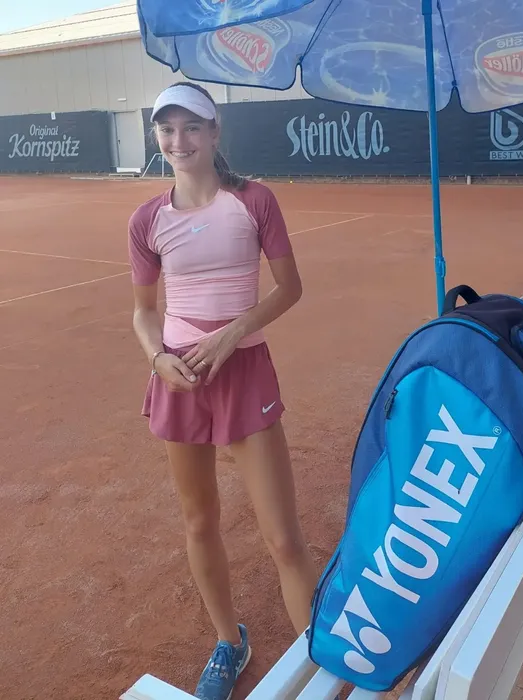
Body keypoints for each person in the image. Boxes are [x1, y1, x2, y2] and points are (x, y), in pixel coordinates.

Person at [127, 81, 318, 700]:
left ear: (214, 133)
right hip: (179, 377)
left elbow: (290, 288)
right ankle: (229, 642)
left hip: (245, 371)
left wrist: (234, 333)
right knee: (199, 520)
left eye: (191, 128)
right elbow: (143, 311)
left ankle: (324, 667)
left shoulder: (254, 201)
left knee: (283, 538)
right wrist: (158, 358)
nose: (178, 141)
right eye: (166, 130)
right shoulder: (147, 220)